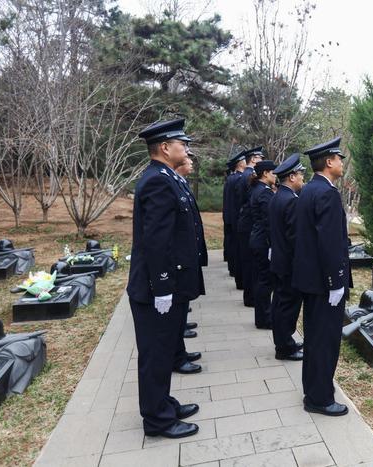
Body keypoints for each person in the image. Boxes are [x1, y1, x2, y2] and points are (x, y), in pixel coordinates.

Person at [126, 118, 202, 439]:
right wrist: (162, 286)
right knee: (155, 353)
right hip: (156, 286)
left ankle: (164, 402)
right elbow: (156, 240)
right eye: (181, 143)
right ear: (164, 147)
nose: (185, 148)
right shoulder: (157, 181)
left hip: (167, 282)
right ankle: (157, 419)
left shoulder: (167, 177)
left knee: (163, 347)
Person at [293, 136, 352, 416]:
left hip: (311, 280)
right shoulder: (326, 193)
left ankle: (313, 390)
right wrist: (336, 282)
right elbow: (329, 243)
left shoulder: (308, 190)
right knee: (324, 341)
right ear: (329, 162)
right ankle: (320, 398)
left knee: (314, 338)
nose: (342, 163)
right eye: (339, 158)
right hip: (324, 283)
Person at [171, 155, 206, 374]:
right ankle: (177, 357)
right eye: (187, 158)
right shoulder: (165, 181)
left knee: (181, 308)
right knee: (174, 315)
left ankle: (180, 352)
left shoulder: (179, 182)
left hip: (185, 259)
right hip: (176, 263)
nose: (191, 161)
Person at [268, 153, 305, 361]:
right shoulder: (290, 200)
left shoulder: (278, 196)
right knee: (287, 307)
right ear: (291, 177)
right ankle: (284, 347)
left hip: (279, 260)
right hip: (289, 264)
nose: (302, 179)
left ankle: (284, 342)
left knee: (280, 303)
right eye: (300, 175)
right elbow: (294, 238)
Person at [248, 159, 278, 329]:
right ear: (266, 173)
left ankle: (263, 316)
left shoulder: (258, 189)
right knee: (265, 281)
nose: (275, 176)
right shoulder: (264, 192)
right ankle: (265, 318)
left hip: (258, 239)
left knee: (261, 279)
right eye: (273, 173)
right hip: (263, 241)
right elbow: (269, 221)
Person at [235, 147, 264, 307]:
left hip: (246, 223)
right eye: (260, 158)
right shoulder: (248, 175)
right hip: (249, 224)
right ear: (253, 159)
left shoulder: (246, 175)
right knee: (250, 264)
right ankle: (250, 297)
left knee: (249, 262)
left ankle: (250, 295)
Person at [224, 151, 247, 281]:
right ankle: (236, 271)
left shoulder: (231, 178)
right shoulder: (239, 178)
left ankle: (232, 269)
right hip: (236, 216)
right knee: (237, 247)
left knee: (232, 244)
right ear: (240, 163)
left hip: (229, 215)